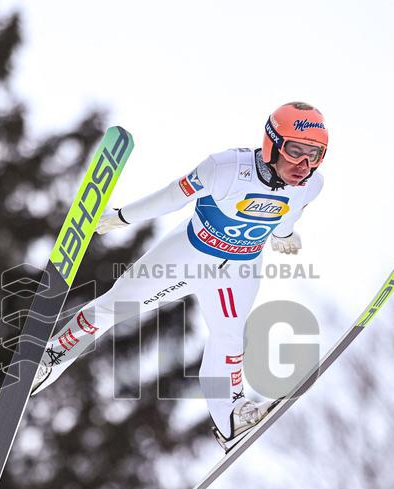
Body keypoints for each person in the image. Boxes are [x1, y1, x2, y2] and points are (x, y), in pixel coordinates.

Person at [32, 102, 328, 450]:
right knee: (116, 306)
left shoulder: (311, 184)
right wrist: (122, 217)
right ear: (272, 143)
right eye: (296, 151)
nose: (304, 165)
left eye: (315, 154)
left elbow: (288, 213)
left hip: (239, 271)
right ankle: (53, 356)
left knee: (229, 341)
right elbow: (173, 197)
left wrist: (284, 235)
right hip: (188, 256)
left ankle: (231, 415)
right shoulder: (226, 168)